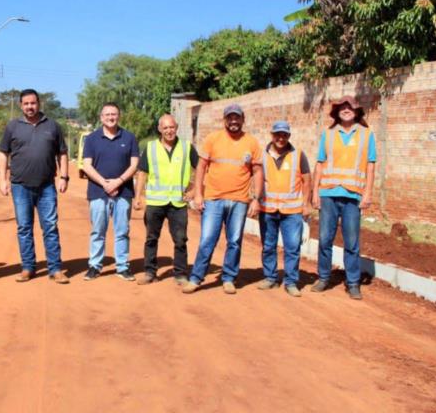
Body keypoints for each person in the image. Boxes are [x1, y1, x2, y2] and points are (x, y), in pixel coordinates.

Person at [186, 103, 262, 295]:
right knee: (207, 239)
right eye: (230, 117)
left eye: (237, 117)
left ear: (243, 119)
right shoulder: (213, 139)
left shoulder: (251, 142)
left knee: (234, 241)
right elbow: (201, 167)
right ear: (225, 120)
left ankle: (229, 278)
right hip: (213, 198)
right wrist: (198, 193)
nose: (234, 121)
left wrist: (256, 199)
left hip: (239, 200)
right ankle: (196, 278)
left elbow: (257, 171)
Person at [0, 88, 70, 284]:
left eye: (33, 103)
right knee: (24, 228)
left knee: (50, 227)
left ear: (39, 104)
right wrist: (2, 180)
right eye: (26, 103)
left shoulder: (53, 126)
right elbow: (3, 153)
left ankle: (55, 268)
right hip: (20, 186)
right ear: (21, 105)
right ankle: (28, 267)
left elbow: (62, 153)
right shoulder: (12, 127)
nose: (30, 106)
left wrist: (64, 176)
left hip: (46, 186)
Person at [311, 96, 376, 300]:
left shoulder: (366, 134)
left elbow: (370, 165)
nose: (346, 110)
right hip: (328, 194)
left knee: (352, 242)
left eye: (350, 107)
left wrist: (368, 193)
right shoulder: (328, 134)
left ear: (356, 112)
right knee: (324, 239)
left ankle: (353, 282)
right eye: (342, 107)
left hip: (353, 196)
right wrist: (314, 192)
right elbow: (320, 164)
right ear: (336, 112)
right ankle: (323, 277)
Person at [133, 114, 198, 286]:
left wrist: (194, 189)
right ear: (160, 129)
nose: (169, 131)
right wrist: (138, 196)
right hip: (155, 203)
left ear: (176, 128)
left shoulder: (186, 147)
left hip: (178, 203)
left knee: (180, 240)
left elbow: (200, 168)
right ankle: (149, 272)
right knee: (151, 238)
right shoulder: (151, 148)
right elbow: (142, 173)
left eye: (172, 127)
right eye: (165, 128)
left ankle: (181, 273)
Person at [81, 102, 140, 281]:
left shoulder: (129, 138)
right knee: (98, 231)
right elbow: (87, 165)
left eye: (114, 114)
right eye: (107, 114)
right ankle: (95, 266)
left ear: (118, 116)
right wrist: (104, 183)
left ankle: (122, 267)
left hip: (124, 193)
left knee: (122, 231)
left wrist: (119, 182)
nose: (111, 117)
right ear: (101, 117)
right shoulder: (91, 139)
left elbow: (134, 164)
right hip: (98, 193)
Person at [257, 121, 312, 297]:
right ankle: (270, 277)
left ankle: (291, 281)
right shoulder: (261, 155)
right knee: (268, 246)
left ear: (289, 136)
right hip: (268, 209)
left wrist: (307, 203)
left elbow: (307, 179)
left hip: (292, 211)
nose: (281, 138)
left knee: (292, 247)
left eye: (284, 135)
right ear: (272, 135)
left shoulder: (298, 155)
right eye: (277, 135)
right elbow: (255, 177)